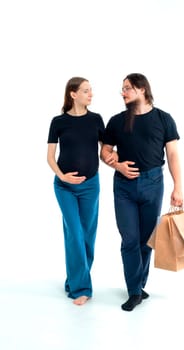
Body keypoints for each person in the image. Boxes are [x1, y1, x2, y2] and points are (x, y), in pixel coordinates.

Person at [100, 73, 183, 311]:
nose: (122, 92)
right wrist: (117, 164)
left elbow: (174, 155)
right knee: (129, 240)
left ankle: (138, 283)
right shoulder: (116, 121)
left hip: (153, 183)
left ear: (142, 89)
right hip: (123, 187)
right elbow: (104, 152)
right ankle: (134, 291)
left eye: (127, 88)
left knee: (147, 241)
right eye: (122, 88)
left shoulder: (164, 119)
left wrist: (178, 186)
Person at [47, 77, 105, 306]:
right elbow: (50, 157)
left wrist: (116, 159)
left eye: (91, 91)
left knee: (88, 236)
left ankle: (74, 279)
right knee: (75, 234)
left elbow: (107, 149)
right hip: (64, 187)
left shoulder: (96, 120)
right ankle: (81, 288)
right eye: (86, 91)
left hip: (91, 185)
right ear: (73, 94)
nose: (91, 94)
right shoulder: (58, 122)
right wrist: (63, 176)